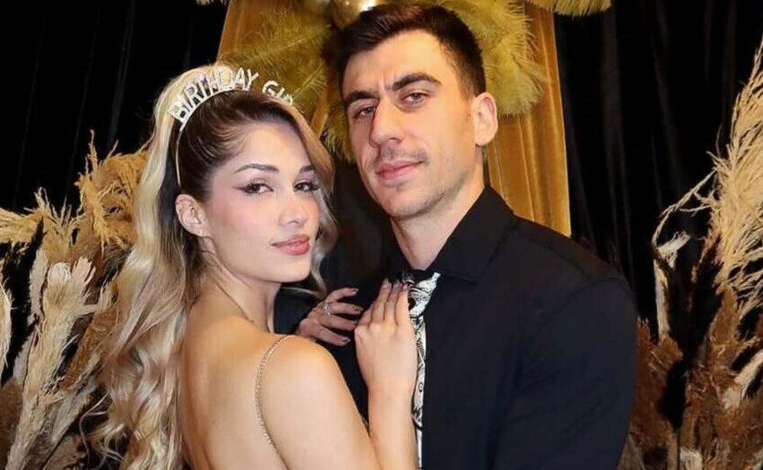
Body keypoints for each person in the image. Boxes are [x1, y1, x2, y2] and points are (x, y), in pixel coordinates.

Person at [292, 4, 637, 469]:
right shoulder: (342, 321)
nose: (381, 130)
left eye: (414, 96)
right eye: (363, 109)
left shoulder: (574, 303)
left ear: (482, 118)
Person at [92, 64, 419, 470]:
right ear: (194, 215)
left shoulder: (185, 349)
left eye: (303, 185)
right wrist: (390, 393)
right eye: (257, 187)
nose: (297, 213)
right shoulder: (292, 369)